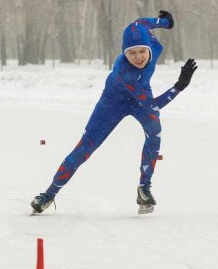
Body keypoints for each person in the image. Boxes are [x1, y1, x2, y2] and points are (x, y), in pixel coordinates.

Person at [30, 13, 196, 214]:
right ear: (124, 53)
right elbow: (152, 107)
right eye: (131, 53)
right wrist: (179, 86)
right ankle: (49, 194)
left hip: (141, 94)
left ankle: (144, 188)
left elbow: (142, 22)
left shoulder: (150, 40)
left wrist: (166, 22)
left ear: (149, 47)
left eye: (142, 51)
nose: (138, 58)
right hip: (113, 102)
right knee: (85, 148)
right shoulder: (125, 73)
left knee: (154, 132)